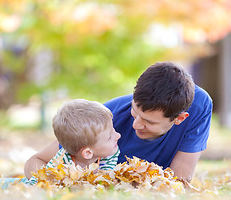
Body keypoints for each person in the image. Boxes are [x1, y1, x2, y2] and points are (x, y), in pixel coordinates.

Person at [24, 62, 213, 182]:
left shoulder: (198, 107)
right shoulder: (104, 119)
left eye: (148, 121)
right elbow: (36, 161)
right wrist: (58, 183)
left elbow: (178, 182)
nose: (135, 125)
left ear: (180, 118)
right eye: (134, 111)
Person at [0, 99, 121, 189]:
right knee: (11, 185)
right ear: (87, 153)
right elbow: (41, 182)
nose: (118, 135)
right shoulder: (62, 161)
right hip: (36, 183)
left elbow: (106, 176)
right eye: (109, 136)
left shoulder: (111, 152)